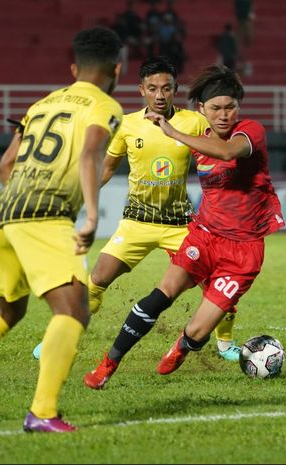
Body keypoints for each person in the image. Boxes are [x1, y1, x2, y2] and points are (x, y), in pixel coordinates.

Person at [0, 26, 124, 432]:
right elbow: (89, 153)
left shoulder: (42, 103)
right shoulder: (105, 106)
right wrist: (90, 216)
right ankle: (43, 412)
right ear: (117, 69)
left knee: (5, 310)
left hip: (4, 211)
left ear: (74, 67)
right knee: (73, 310)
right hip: (45, 213)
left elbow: (4, 166)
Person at [32, 55, 240, 367]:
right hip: (137, 222)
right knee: (97, 279)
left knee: (219, 286)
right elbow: (105, 170)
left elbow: (222, 150)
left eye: (166, 88)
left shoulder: (193, 122)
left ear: (175, 90)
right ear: (141, 90)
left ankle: (225, 343)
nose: (160, 95)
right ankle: (59, 339)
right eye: (153, 88)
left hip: (181, 225)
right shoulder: (126, 125)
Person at [83, 65, 281, 388]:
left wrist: (172, 131)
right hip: (204, 237)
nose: (224, 115)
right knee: (161, 295)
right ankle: (107, 365)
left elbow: (229, 152)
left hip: (243, 252)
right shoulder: (196, 138)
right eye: (215, 108)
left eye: (230, 107)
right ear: (201, 110)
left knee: (198, 331)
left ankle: (184, 343)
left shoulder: (249, 132)